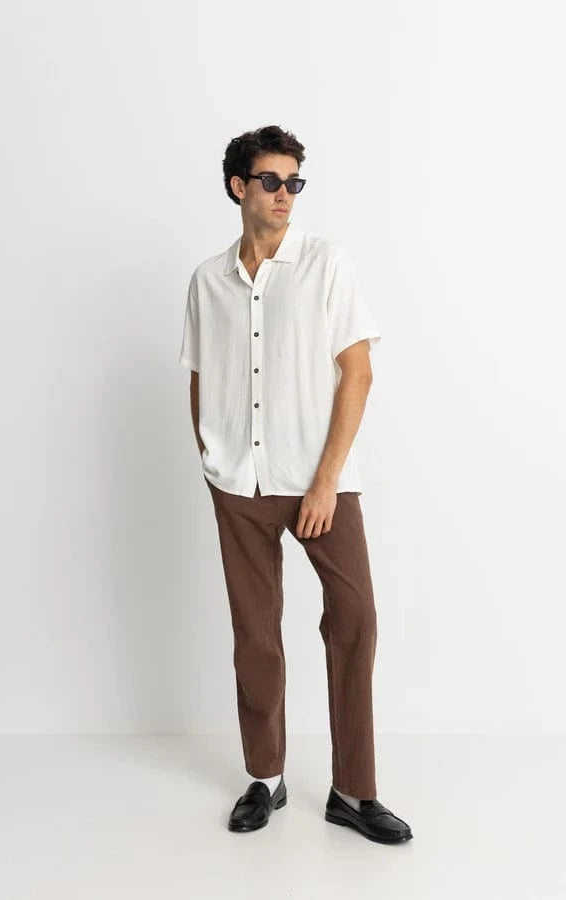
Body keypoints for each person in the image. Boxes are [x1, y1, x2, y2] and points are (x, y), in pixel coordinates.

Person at [178, 124, 412, 843]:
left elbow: (358, 373)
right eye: (271, 181)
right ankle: (265, 778)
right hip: (239, 484)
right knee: (255, 634)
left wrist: (326, 482)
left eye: (294, 183)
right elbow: (199, 376)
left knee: (355, 618)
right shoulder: (207, 281)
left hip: (320, 481)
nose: (285, 195)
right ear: (238, 187)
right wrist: (214, 457)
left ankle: (354, 791)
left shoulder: (326, 264)